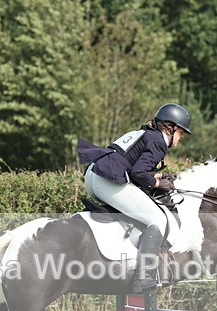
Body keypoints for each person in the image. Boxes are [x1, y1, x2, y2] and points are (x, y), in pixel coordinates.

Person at [77, 103, 192, 293]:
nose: (180, 140)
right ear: (172, 128)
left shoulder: (147, 134)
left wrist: (158, 177)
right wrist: (157, 184)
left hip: (94, 175)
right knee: (157, 220)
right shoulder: (159, 141)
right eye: (180, 134)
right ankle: (143, 277)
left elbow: (133, 168)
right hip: (106, 179)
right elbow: (139, 173)